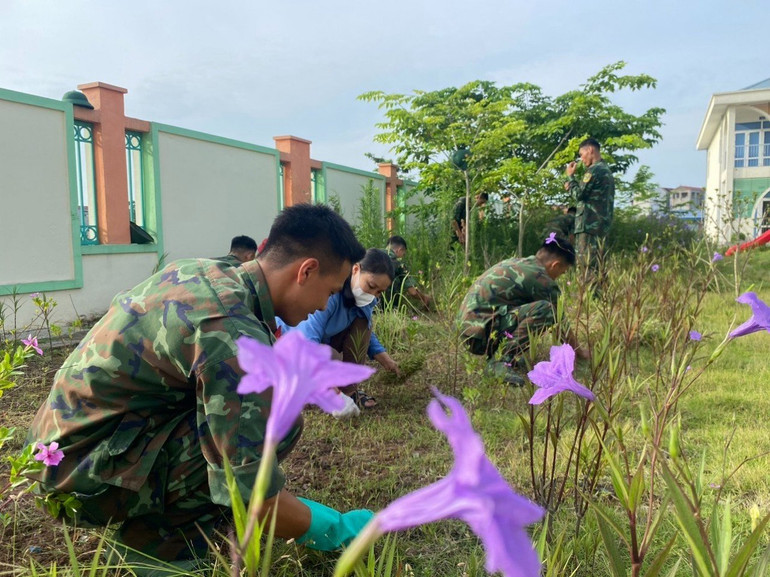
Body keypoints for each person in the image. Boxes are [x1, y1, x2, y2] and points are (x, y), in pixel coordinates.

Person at [25, 204, 372, 570]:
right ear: (306, 271)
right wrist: (340, 529)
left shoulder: (201, 272)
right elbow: (255, 497)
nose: (324, 305)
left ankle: (169, 522)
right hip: (77, 480)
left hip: (60, 447)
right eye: (331, 291)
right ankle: (156, 552)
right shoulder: (232, 336)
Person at [457, 236, 589, 386]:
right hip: (480, 336)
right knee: (546, 310)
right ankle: (500, 362)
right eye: (563, 272)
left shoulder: (516, 262)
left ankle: (504, 356)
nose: (560, 276)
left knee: (538, 308)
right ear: (555, 265)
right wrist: (579, 352)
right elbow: (559, 321)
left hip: (467, 332)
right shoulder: (541, 279)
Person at [279, 248, 398, 409]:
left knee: (362, 321)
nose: (373, 294)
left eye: (379, 292)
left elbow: (364, 331)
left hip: (321, 345)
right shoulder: (331, 292)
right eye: (371, 286)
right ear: (355, 270)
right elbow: (307, 341)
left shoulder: (365, 300)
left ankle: (350, 391)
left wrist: (384, 357)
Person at [565, 138, 615, 271]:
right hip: (601, 228)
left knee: (586, 267)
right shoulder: (606, 171)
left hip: (588, 227)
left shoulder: (594, 171)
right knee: (599, 267)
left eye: (582, 155)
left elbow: (579, 195)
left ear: (590, 150)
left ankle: (589, 292)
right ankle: (600, 292)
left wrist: (570, 179)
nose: (581, 159)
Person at [382, 235, 432, 310]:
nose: (402, 257)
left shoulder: (369, 255)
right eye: (403, 254)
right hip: (385, 308)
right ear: (400, 249)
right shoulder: (399, 265)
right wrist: (424, 297)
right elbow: (413, 292)